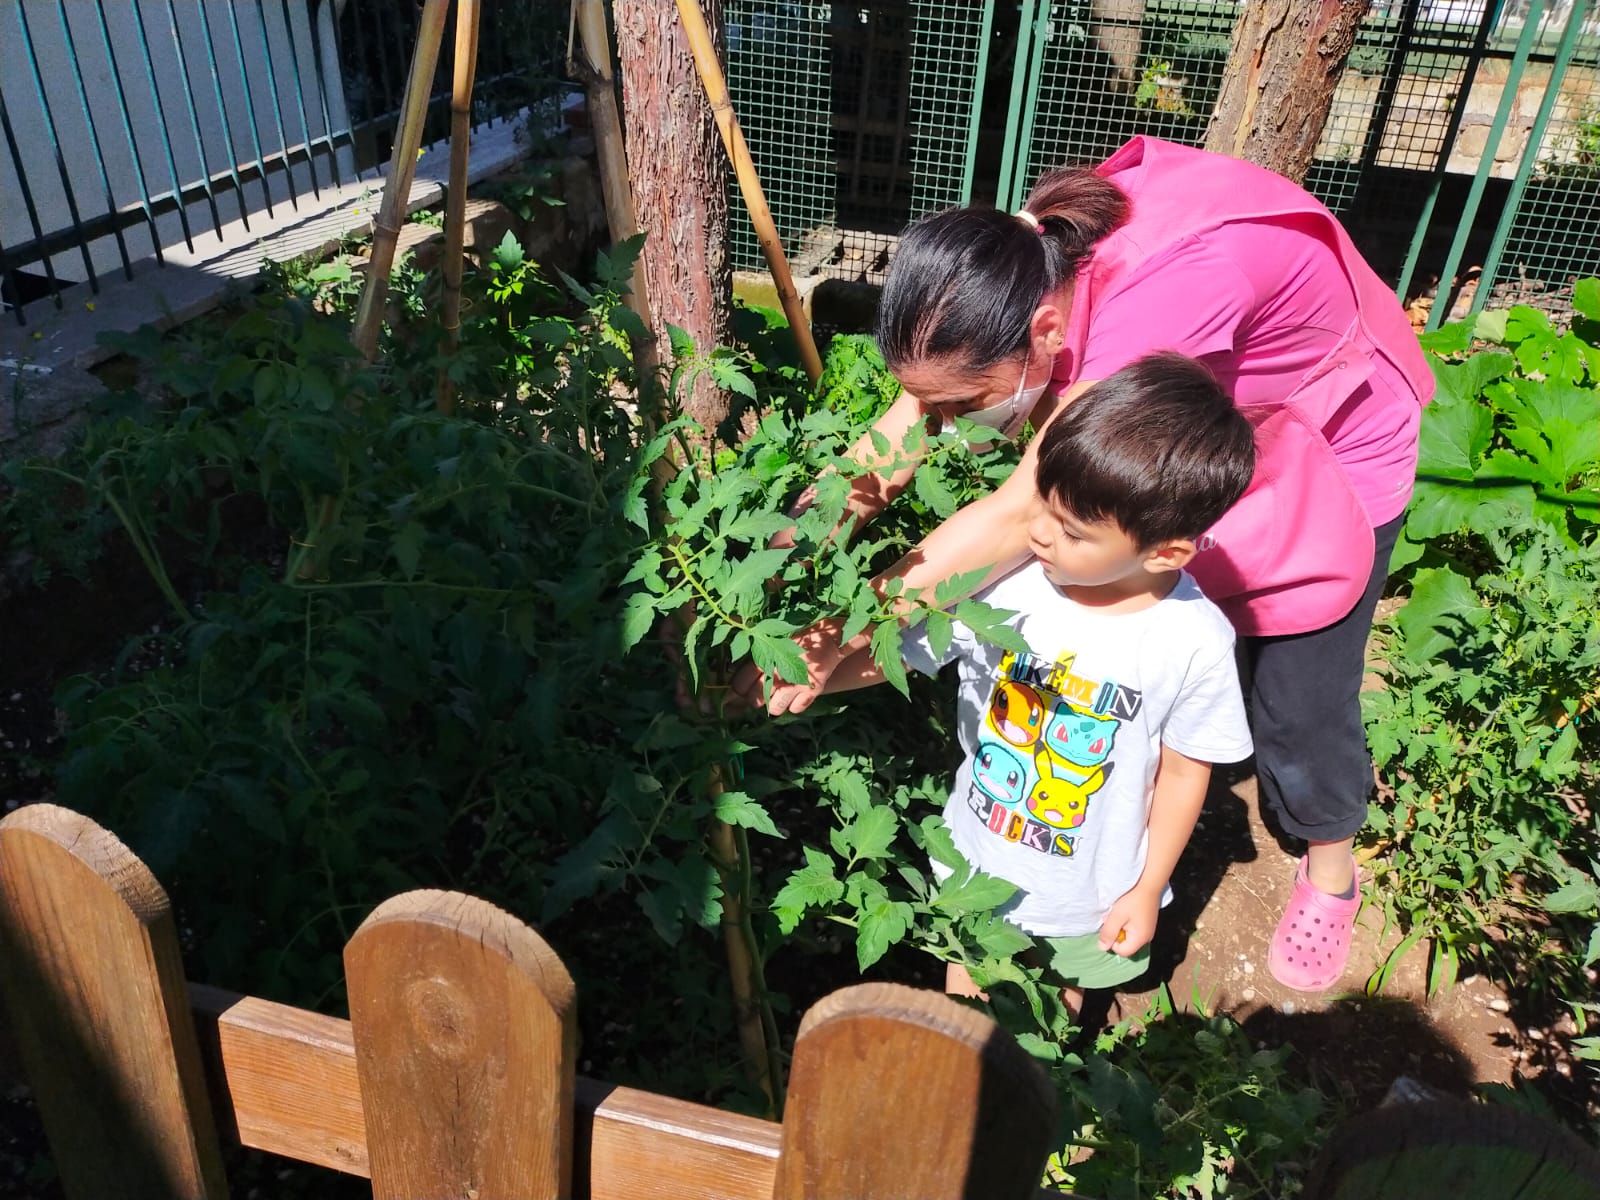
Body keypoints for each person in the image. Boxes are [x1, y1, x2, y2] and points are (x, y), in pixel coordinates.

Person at [743, 136, 1435, 993]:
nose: (941, 419)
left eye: (963, 402)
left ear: (1042, 334)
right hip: (1189, 429)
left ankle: (1331, 863)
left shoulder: (1151, 318)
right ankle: (1125, 792)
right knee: (1129, 605)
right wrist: (778, 554)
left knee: (1298, 687)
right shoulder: (1008, 270)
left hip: (1330, 432)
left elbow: (1020, 513)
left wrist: (833, 634)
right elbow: (895, 437)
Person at [793, 354, 1256, 999]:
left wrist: (1147, 889)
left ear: (1166, 551)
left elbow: (1185, 772)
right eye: (1043, 504)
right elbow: (902, 654)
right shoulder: (1016, 587)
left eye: (1071, 530)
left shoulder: (1194, 641)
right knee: (967, 988)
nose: (1035, 531)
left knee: (1065, 1002)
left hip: (1092, 891)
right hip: (977, 857)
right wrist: (802, 682)